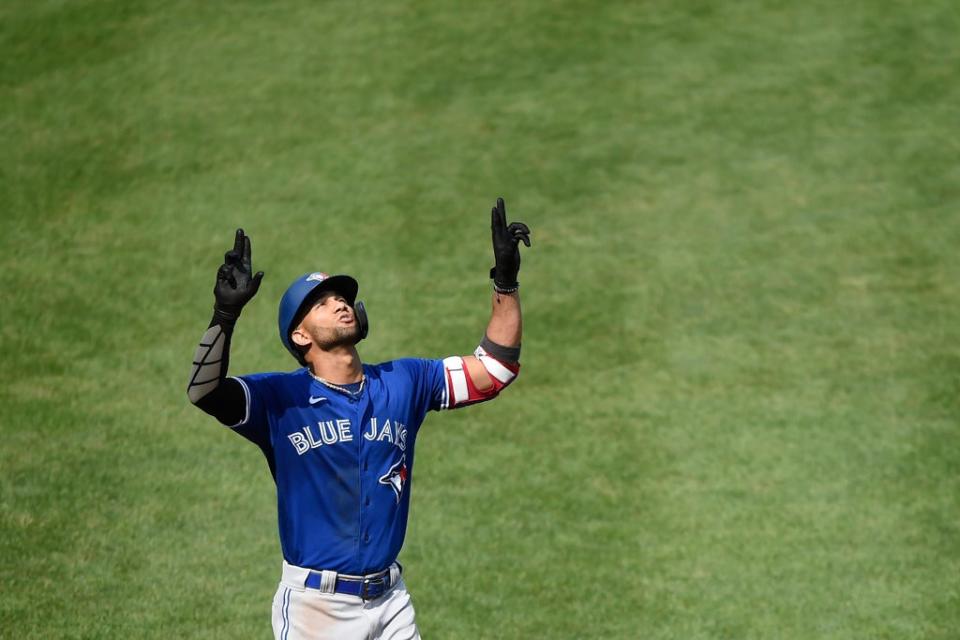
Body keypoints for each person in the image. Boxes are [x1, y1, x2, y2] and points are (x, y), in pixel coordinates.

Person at [186, 198, 531, 640]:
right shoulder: (280, 398)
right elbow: (204, 391)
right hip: (316, 609)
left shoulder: (405, 380)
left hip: (392, 604)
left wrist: (505, 281)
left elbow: (496, 368)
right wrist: (224, 316)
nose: (339, 304)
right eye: (322, 303)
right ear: (299, 335)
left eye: (342, 297)